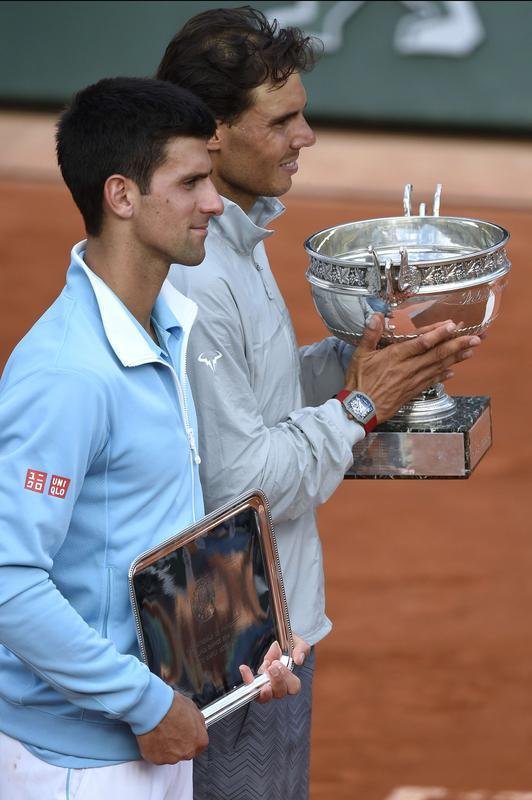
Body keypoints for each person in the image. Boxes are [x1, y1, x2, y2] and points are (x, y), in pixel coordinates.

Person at [157, 7, 483, 799]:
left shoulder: (232, 244)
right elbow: (239, 488)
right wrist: (359, 407)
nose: (306, 136)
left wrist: (356, 360)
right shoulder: (195, 274)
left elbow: (251, 397)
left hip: (270, 630)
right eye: (284, 120)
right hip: (229, 646)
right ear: (212, 136)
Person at [0, 75, 301, 800]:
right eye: (192, 180)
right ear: (122, 196)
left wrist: (236, 648)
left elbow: (143, 533)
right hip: (77, 766)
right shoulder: (69, 373)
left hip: (149, 739)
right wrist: (148, 703)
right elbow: (7, 582)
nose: (213, 202)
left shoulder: (164, 326)